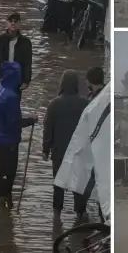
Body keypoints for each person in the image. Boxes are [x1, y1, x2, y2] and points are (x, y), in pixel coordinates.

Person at [42, 69, 90, 221]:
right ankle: (80, 213)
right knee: (79, 183)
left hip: (59, 150)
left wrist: (45, 149)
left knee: (58, 182)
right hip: (78, 151)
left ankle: (57, 215)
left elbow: (48, 128)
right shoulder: (84, 104)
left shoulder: (54, 104)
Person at [0, 61, 37, 210]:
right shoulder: (11, 96)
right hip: (9, 140)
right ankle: (5, 204)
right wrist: (31, 120)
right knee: (10, 172)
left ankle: (3, 202)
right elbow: (15, 122)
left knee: (3, 170)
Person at [0, 13, 32, 92]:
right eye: (10, 21)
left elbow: (27, 63)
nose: (13, 23)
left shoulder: (26, 42)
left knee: (13, 102)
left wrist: (26, 81)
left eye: (16, 21)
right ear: (6, 23)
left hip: (16, 80)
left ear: (20, 23)